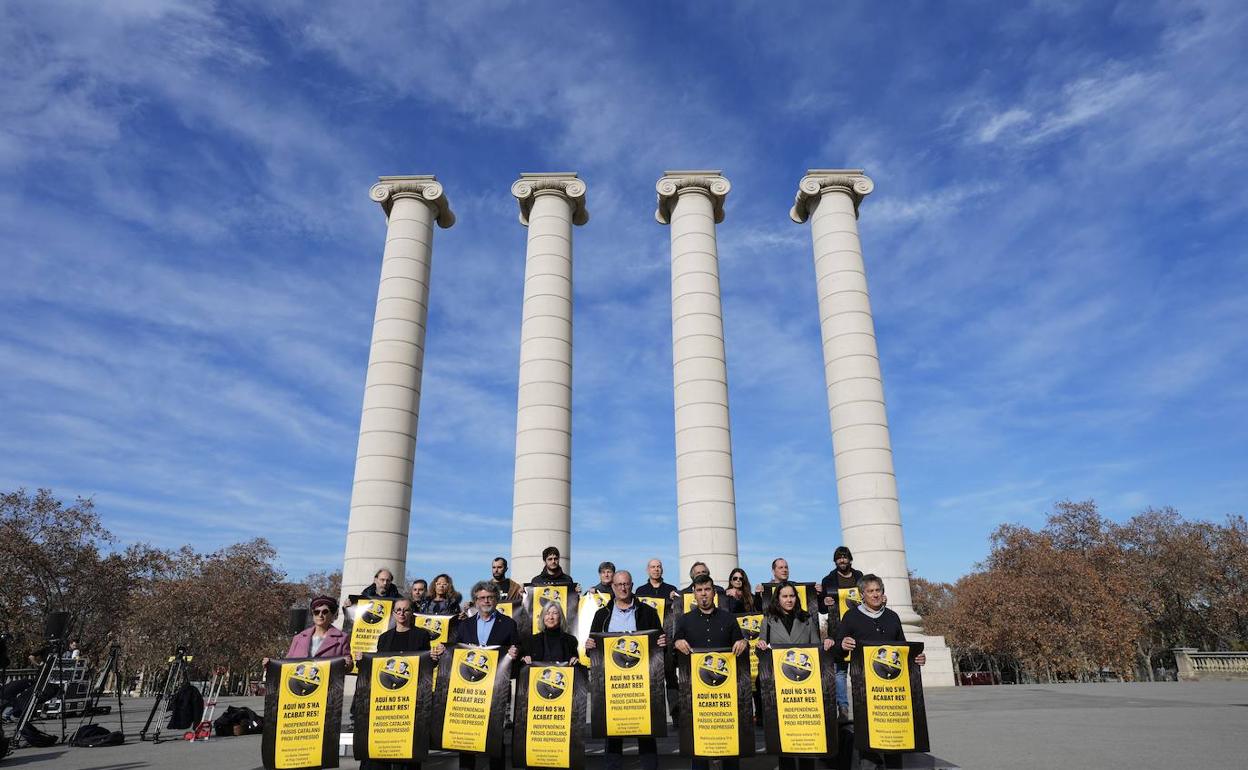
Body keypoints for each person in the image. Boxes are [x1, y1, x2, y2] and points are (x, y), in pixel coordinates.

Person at [586, 570, 666, 770]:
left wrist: (663, 642)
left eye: (626, 584)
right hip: (613, 684)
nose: (623, 588)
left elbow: (660, 643)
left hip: (642, 681)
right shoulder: (601, 615)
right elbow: (593, 649)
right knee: (613, 732)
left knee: (645, 730)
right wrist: (589, 648)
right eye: (619, 584)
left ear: (632, 585)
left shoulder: (648, 612)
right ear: (612, 587)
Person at [673, 574, 748, 770]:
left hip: (726, 693)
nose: (704, 594)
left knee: (730, 746)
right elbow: (674, 650)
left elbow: (739, 645)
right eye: (699, 591)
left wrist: (742, 642)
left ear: (714, 592)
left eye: (707, 589)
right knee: (699, 747)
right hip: (697, 694)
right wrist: (677, 642)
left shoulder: (729, 618)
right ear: (694, 595)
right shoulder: (684, 621)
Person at [451, 582, 520, 770]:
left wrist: (515, 653)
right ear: (475, 601)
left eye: (490, 597)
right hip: (469, 690)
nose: (486, 601)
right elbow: (456, 652)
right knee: (467, 737)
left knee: (496, 737)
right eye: (482, 597)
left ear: (497, 599)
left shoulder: (508, 624)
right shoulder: (465, 625)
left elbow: (517, 653)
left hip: (497, 688)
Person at [836, 574, 926, 666]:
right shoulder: (850, 616)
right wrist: (842, 646)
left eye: (878, 590)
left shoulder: (892, 616)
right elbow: (837, 651)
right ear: (862, 594)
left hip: (892, 676)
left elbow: (902, 647)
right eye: (870, 591)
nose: (875, 595)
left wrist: (916, 657)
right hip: (862, 676)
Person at [819, 545, 863, 719]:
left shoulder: (861, 577)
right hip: (838, 629)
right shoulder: (828, 580)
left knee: (859, 670)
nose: (842, 560)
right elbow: (822, 608)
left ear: (850, 559)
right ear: (835, 560)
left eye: (844, 557)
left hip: (860, 628)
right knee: (840, 672)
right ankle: (843, 708)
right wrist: (825, 601)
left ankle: (862, 706)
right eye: (838, 558)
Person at [274, 595, 352, 670]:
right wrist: (271, 664)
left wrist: (348, 664)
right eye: (316, 612)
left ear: (332, 615)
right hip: (298, 682)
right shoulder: (298, 638)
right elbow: (287, 662)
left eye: (325, 612)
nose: (320, 615)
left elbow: (348, 667)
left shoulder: (342, 638)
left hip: (327, 682)